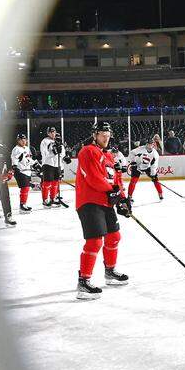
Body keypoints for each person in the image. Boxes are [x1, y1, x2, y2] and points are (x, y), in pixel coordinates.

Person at [74, 121, 131, 300]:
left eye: (108, 135)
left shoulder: (108, 156)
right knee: (95, 241)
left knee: (114, 237)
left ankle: (110, 271)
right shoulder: (87, 151)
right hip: (89, 201)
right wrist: (111, 191)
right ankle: (83, 282)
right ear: (95, 135)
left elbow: (114, 180)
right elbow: (92, 177)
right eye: (102, 135)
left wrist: (122, 198)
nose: (106, 138)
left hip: (105, 202)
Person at [39, 126, 69, 208]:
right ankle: (45, 200)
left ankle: (53, 198)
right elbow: (44, 153)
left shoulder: (58, 141)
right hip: (48, 164)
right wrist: (53, 152)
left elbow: (62, 153)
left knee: (56, 182)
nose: (53, 133)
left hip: (57, 165)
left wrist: (65, 158)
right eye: (51, 132)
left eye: (54, 132)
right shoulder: (45, 141)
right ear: (48, 133)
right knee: (47, 182)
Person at [10, 132, 35, 212]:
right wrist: (15, 166)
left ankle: (24, 204)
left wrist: (35, 164)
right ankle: (22, 205)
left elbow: (29, 158)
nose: (23, 141)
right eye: (21, 140)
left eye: (24, 139)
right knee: (25, 188)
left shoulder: (27, 148)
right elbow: (14, 159)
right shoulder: (16, 149)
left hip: (27, 171)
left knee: (26, 189)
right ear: (18, 141)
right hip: (20, 171)